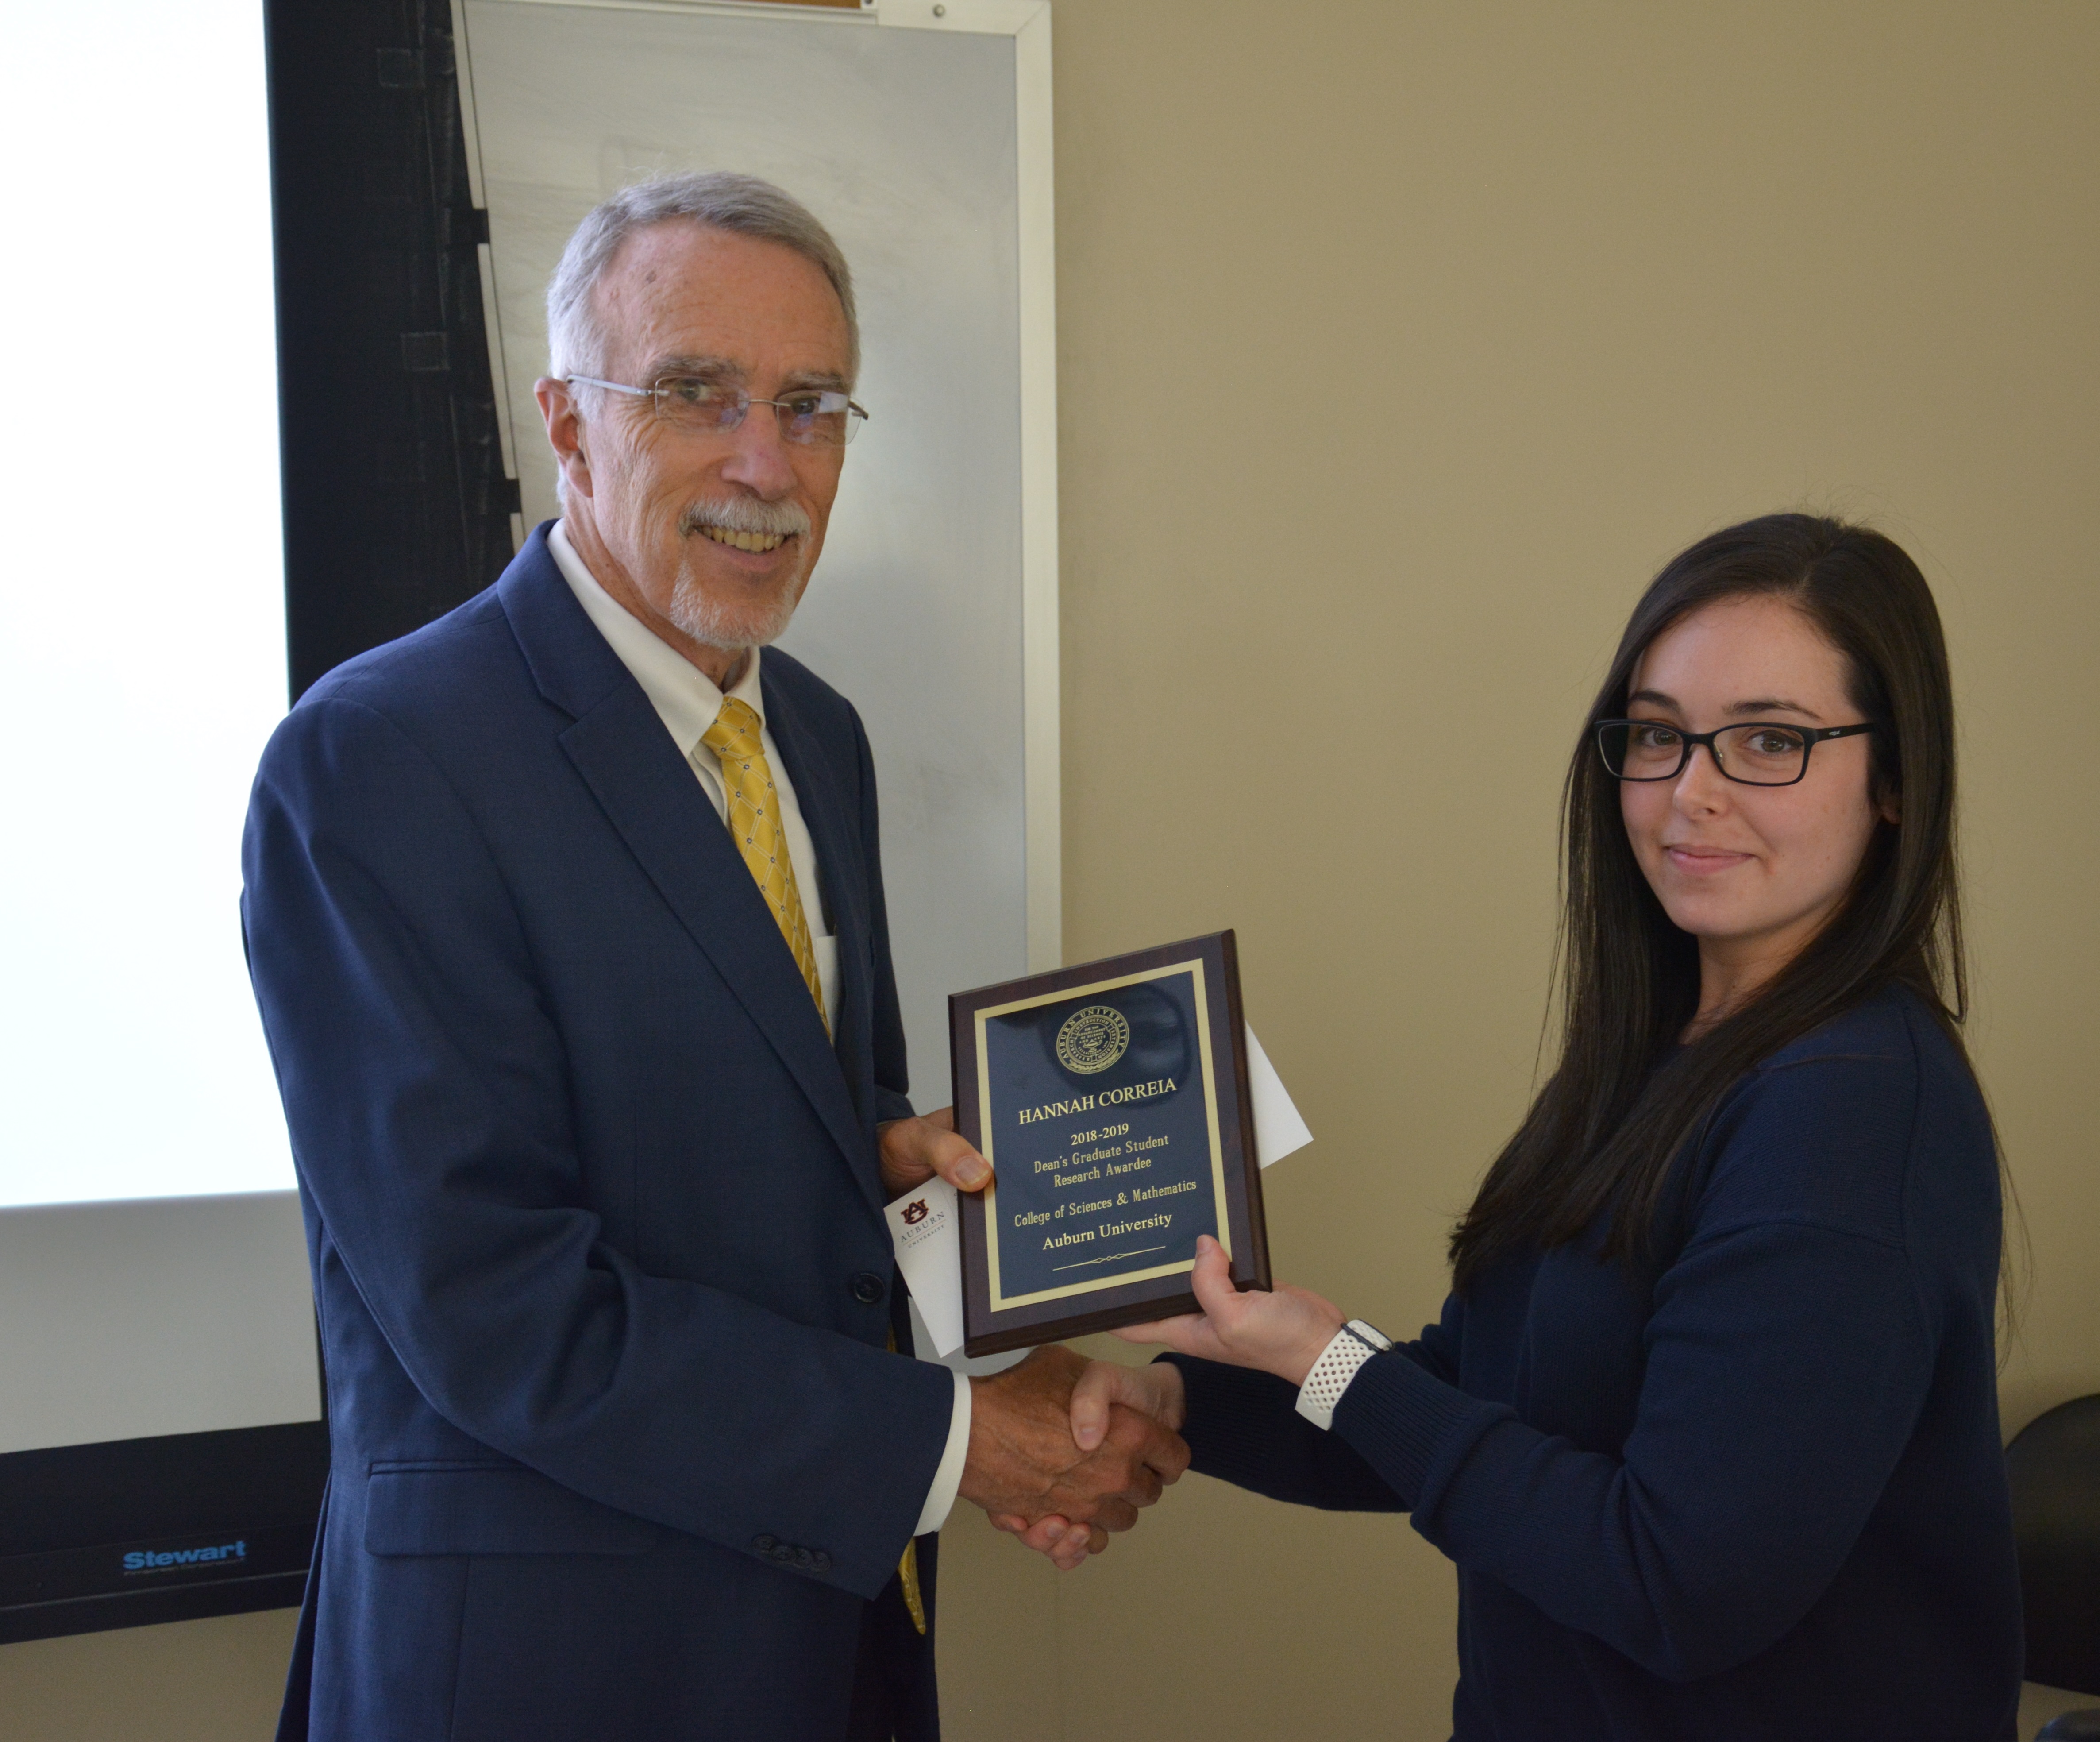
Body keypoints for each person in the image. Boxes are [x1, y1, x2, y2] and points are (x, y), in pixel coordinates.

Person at [242, 172, 1185, 1742]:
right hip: (541, 1676)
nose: (768, 465)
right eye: (696, 393)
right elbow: (497, 1312)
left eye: (812, 406)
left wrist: (938, 1223)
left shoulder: (816, 739)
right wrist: (959, 1444)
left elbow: (800, 1163)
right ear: (565, 422)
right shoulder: (380, 757)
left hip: (820, 1641)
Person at [1017, 515, 2025, 1739]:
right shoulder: (1669, 1053)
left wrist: (1323, 1358)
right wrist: (1179, 1402)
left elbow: (1674, 1584)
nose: (1688, 793)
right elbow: (1490, 1401)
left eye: (1770, 740)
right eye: (1656, 736)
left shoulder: (1850, 1106)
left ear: (1895, 783)